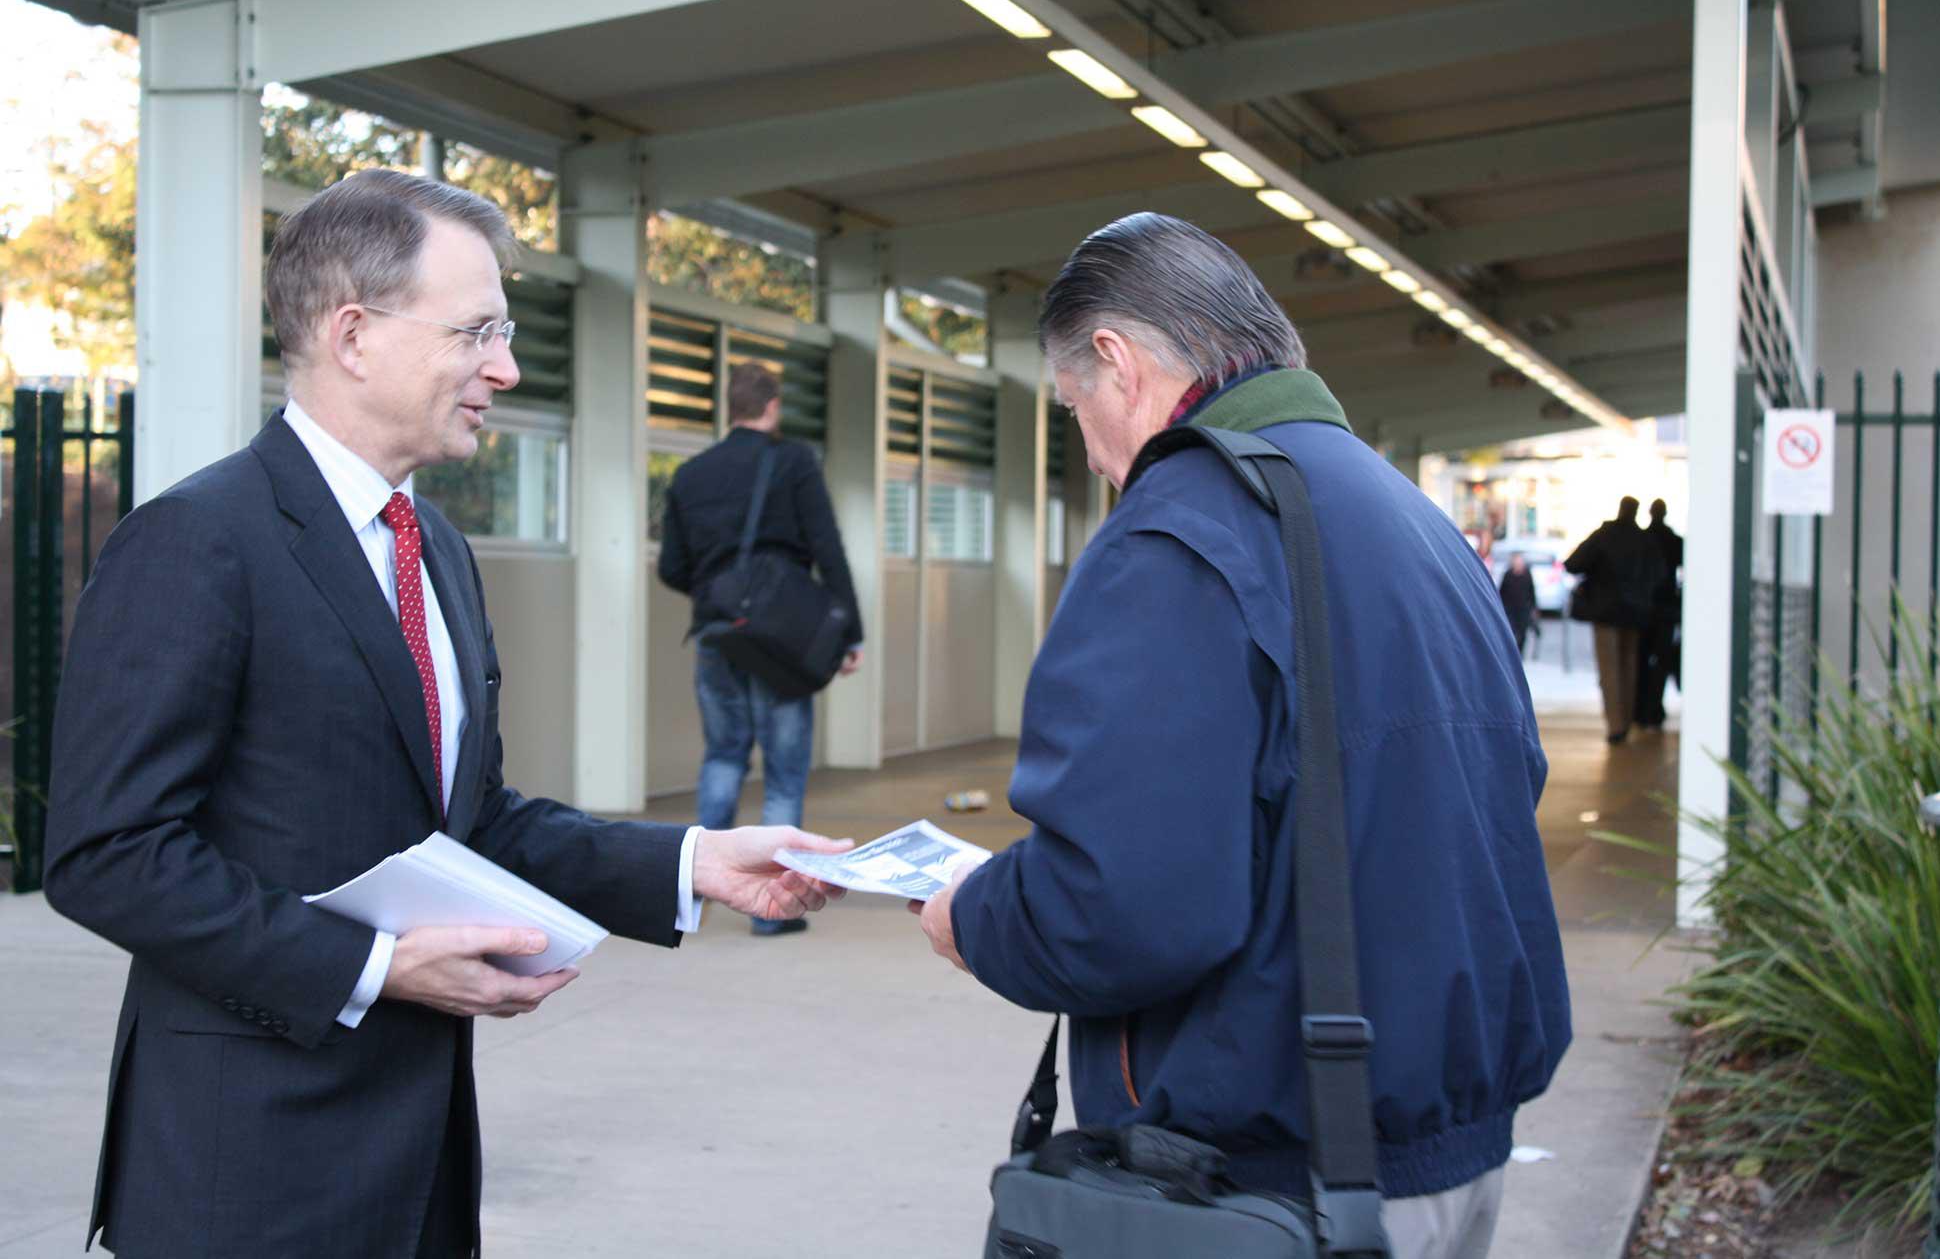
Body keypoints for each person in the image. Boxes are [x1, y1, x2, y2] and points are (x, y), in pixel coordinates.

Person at [41, 169, 846, 1259]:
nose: (504, 370)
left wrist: (694, 860)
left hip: (417, 1162)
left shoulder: (439, 553)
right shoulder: (197, 541)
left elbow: (474, 820)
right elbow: (108, 853)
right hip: (246, 1170)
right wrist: (372, 970)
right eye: (476, 333)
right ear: (354, 334)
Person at [909, 214, 1570, 1259]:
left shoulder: (1180, 532)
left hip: (1266, 1185)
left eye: (1073, 405)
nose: (1088, 451)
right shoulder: (1412, 523)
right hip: (1443, 1148)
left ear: (1115, 364)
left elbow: (1124, 904)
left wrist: (976, 916)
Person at [657, 363, 863, 937]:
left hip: (716, 635)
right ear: (771, 407)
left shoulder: (691, 473)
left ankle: (698, 890)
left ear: (730, 407)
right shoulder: (792, 460)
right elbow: (827, 545)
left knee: (723, 756)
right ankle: (773, 912)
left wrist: (719, 591)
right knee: (784, 774)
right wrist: (849, 629)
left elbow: (673, 566)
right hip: (782, 642)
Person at [1564, 497, 1666, 743]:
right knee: (1629, 667)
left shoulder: (1605, 535)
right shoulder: (1643, 540)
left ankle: (1616, 724)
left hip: (1606, 612)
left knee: (1610, 670)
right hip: (1635, 613)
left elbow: (1574, 563)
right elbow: (1659, 572)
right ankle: (1626, 720)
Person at [1634, 499, 1683, 729]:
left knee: (1643, 660)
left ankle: (1643, 708)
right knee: (1660, 661)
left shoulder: (1643, 540)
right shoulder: (1672, 540)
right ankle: (1653, 707)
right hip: (1663, 609)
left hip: (1647, 608)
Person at [1499, 552, 1538, 659]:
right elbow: (1502, 591)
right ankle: (1511, 653)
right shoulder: (1508, 574)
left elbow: (1531, 592)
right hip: (1510, 608)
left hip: (1523, 608)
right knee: (1510, 631)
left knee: (1522, 632)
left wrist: (1534, 608)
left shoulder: (1527, 575)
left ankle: (1520, 654)